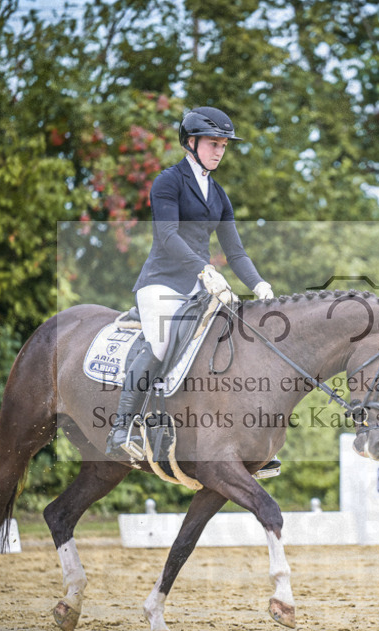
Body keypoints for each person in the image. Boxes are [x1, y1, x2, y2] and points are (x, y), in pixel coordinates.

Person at [106, 106, 275, 456]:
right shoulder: (169, 181)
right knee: (161, 343)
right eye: (213, 143)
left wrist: (259, 285)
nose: (219, 151)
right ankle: (121, 430)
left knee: (235, 338)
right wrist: (204, 269)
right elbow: (167, 236)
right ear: (191, 142)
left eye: (224, 146)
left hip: (201, 284)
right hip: (162, 282)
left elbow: (236, 253)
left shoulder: (218, 194)